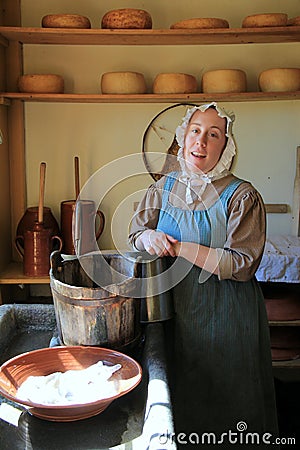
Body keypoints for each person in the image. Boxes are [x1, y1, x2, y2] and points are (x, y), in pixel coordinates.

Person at [128, 102, 279, 447]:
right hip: (175, 312)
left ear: (226, 146)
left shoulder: (241, 196)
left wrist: (179, 248)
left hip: (225, 315)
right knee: (177, 394)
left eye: (214, 135)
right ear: (183, 138)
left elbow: (241, 264)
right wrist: (148, 237)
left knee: (228, 398)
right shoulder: (163, 188)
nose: (202, 141)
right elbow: (135, 234)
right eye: (195, 131)